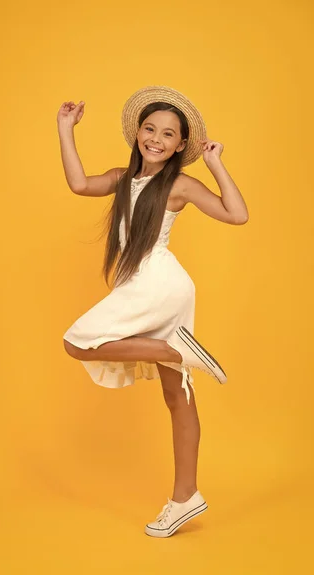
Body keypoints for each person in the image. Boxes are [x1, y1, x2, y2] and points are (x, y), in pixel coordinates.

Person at [58, 85, 249, 538]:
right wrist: (65, 129)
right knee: (177, 395)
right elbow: (80, 183)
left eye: (168, 134)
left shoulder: (180, 184)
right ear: (138, 133)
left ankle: (174, 349)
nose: (156, 139)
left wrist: (216, 162)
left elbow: (236, 214)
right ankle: (186, 498)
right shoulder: (122, 177)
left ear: (182, 145)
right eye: (150, 129)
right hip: (157, 286)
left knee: (77, 342)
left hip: (157, 282)